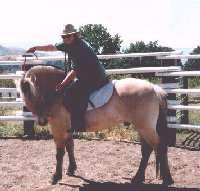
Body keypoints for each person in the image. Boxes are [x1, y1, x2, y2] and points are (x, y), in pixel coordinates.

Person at [27, 24, 107, 132]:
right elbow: (52, 47)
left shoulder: (80, 48)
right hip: (86, 75)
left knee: (71, 94)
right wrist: (36, 48)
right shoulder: (68, 44)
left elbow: (75, 71)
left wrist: (63, 84)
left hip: (94, 75)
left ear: (74, 35)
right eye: (64, 37)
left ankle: (79, 124)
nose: (66, 38)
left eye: (68, 36)